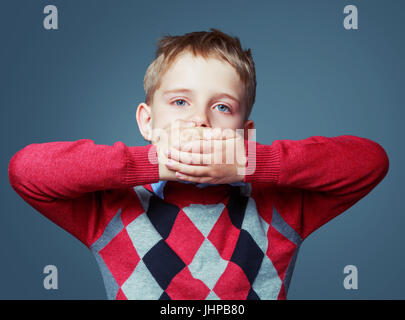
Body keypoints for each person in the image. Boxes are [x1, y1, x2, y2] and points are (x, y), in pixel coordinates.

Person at [8, 28, 389, 300]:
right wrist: (155, 162)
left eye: (222, 107)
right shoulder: (108, 210)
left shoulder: (279, 208)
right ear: (146, 121)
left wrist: (250, 162)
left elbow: (370, 161)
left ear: (244, 132)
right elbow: (26, 170)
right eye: (179, 102)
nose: (200, 120)